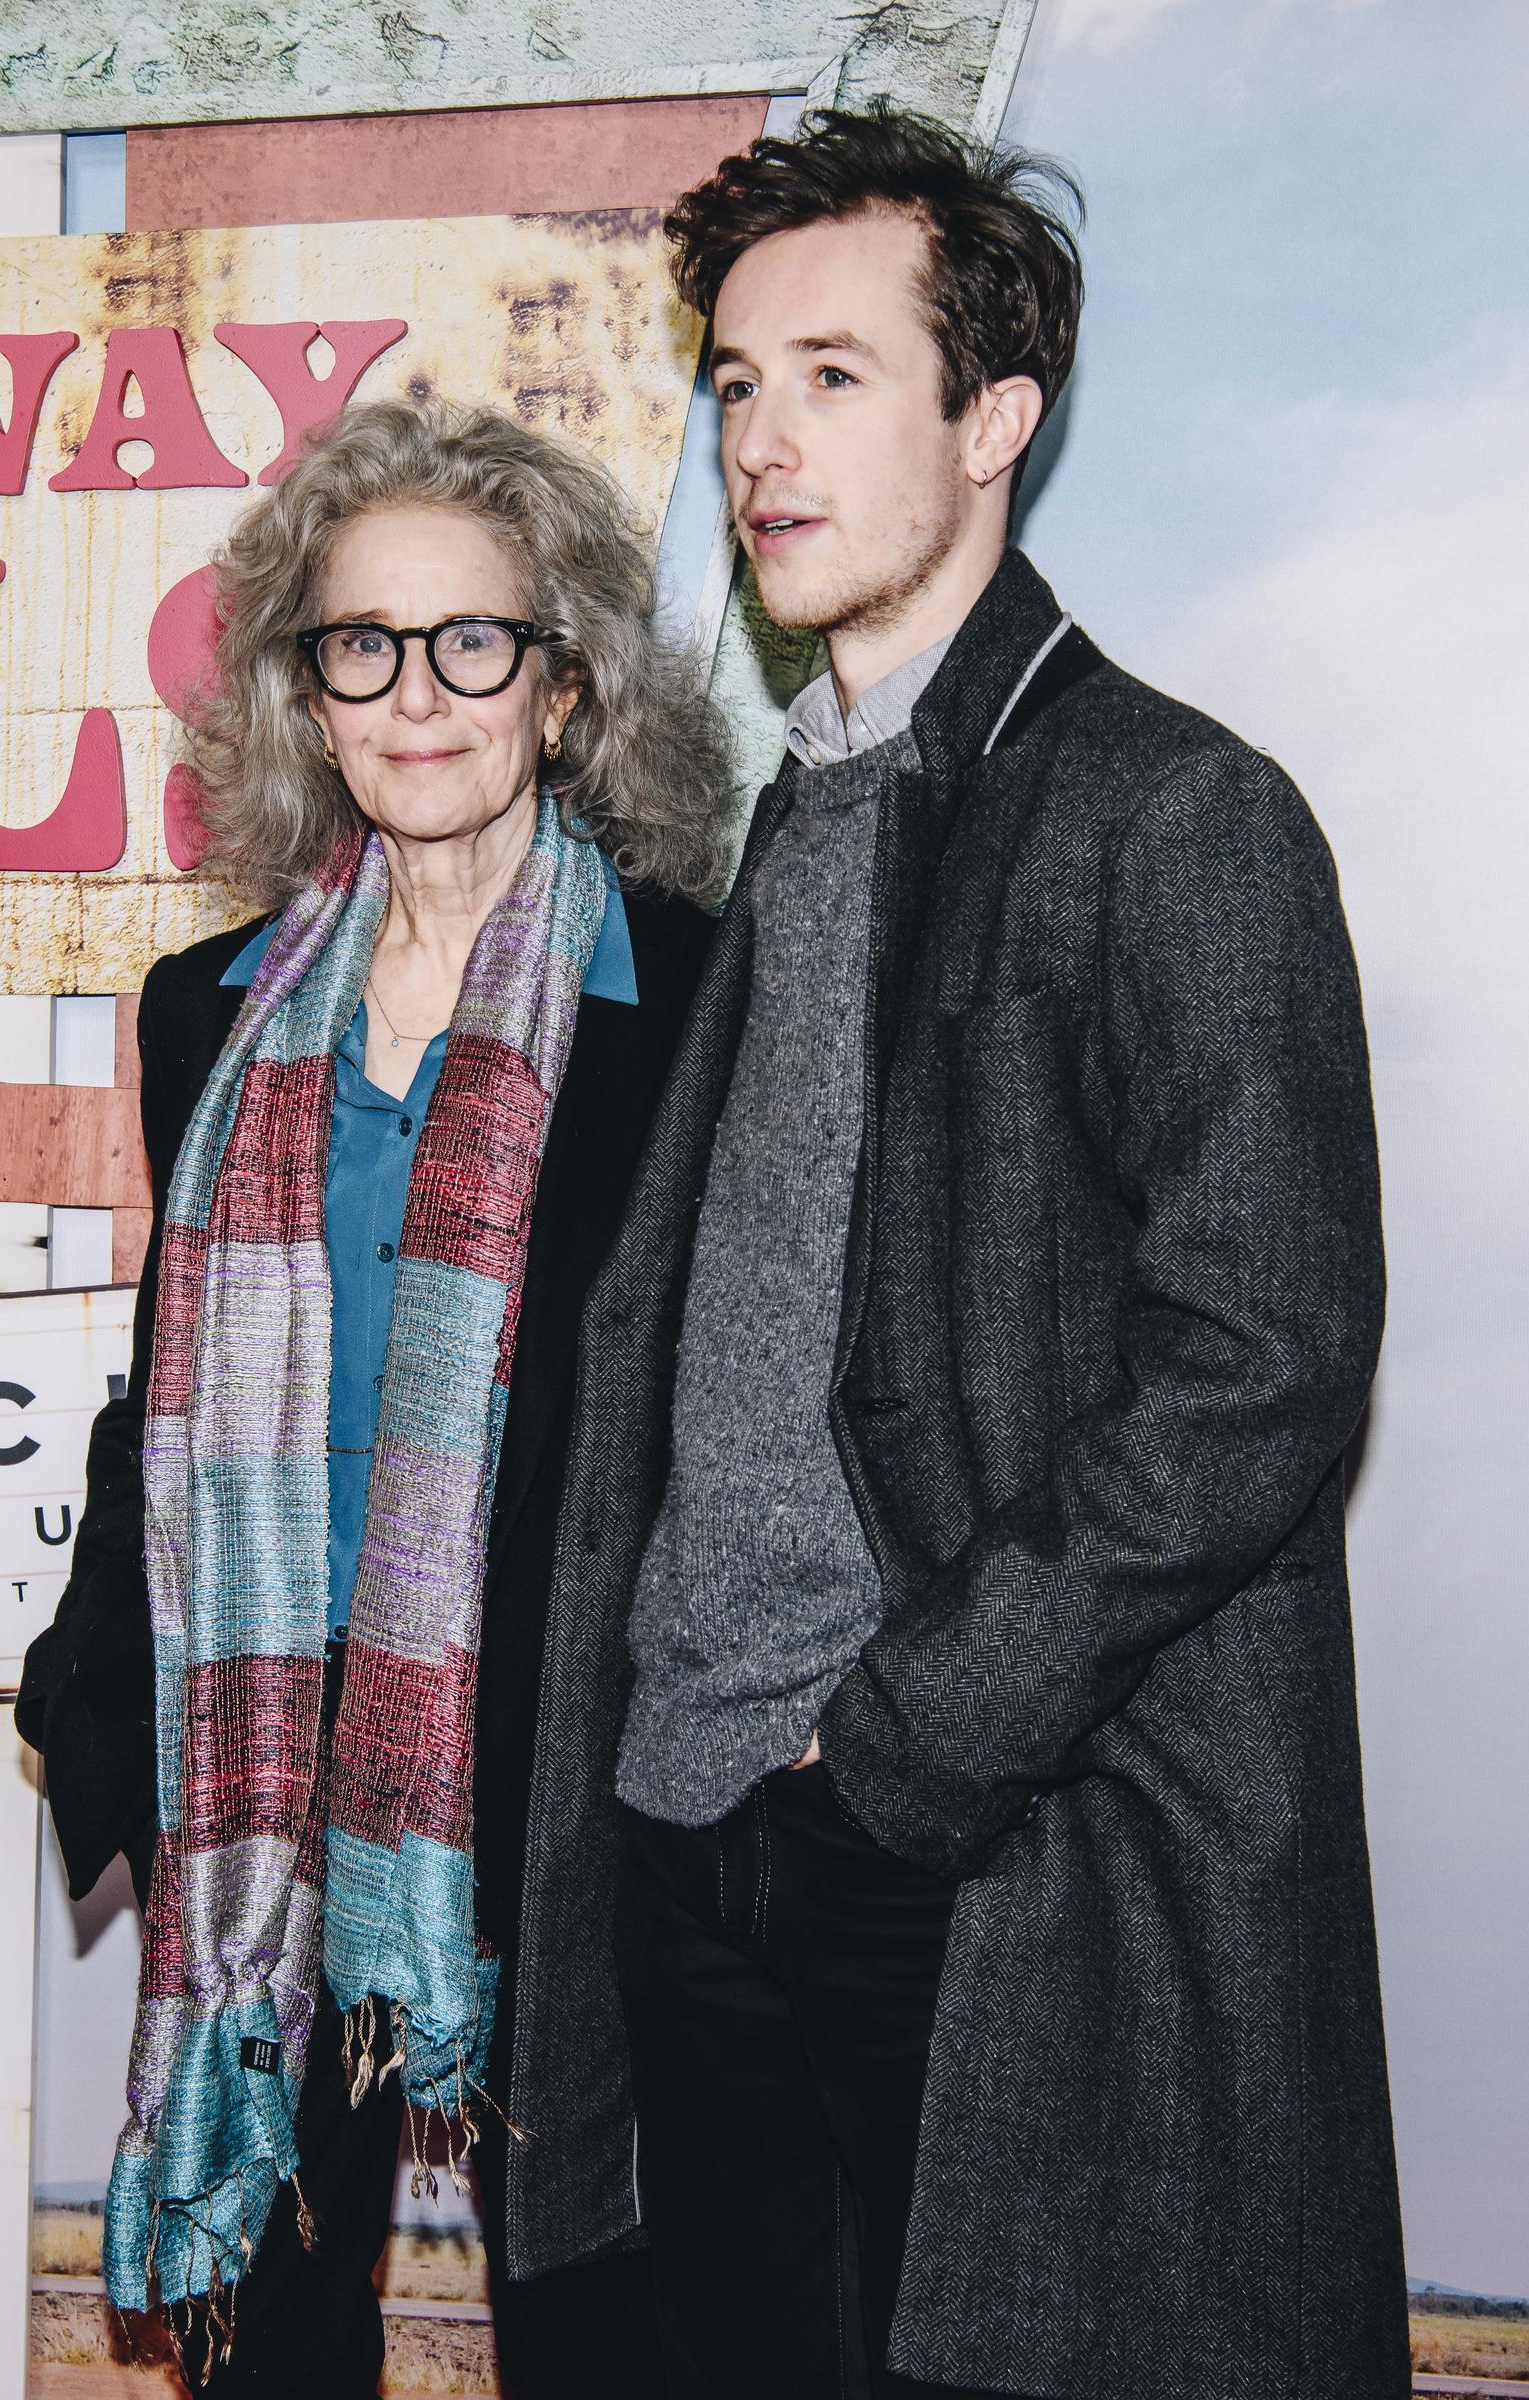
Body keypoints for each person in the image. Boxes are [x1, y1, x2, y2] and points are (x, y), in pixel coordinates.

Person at [491, 104, 1412, 2400]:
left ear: (992, 416)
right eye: (731, 383)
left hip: (972, 1859)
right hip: (691, 1833)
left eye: (830, 375)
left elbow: (1262, 1357)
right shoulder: (791, 817)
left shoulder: (1172, 813)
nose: (762, 443)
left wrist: (899, 1757)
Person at [15, 395, 733, 2400]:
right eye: (361, 645)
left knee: (598, 2315)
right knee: (277, 2339)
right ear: (306, 696)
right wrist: (93, 1677)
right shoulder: (209, 1012)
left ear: (567, 686)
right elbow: (165, 1372)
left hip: (560, 1766)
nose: (416, 694)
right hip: (254, 1747)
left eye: (472, 641)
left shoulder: (691, 997)